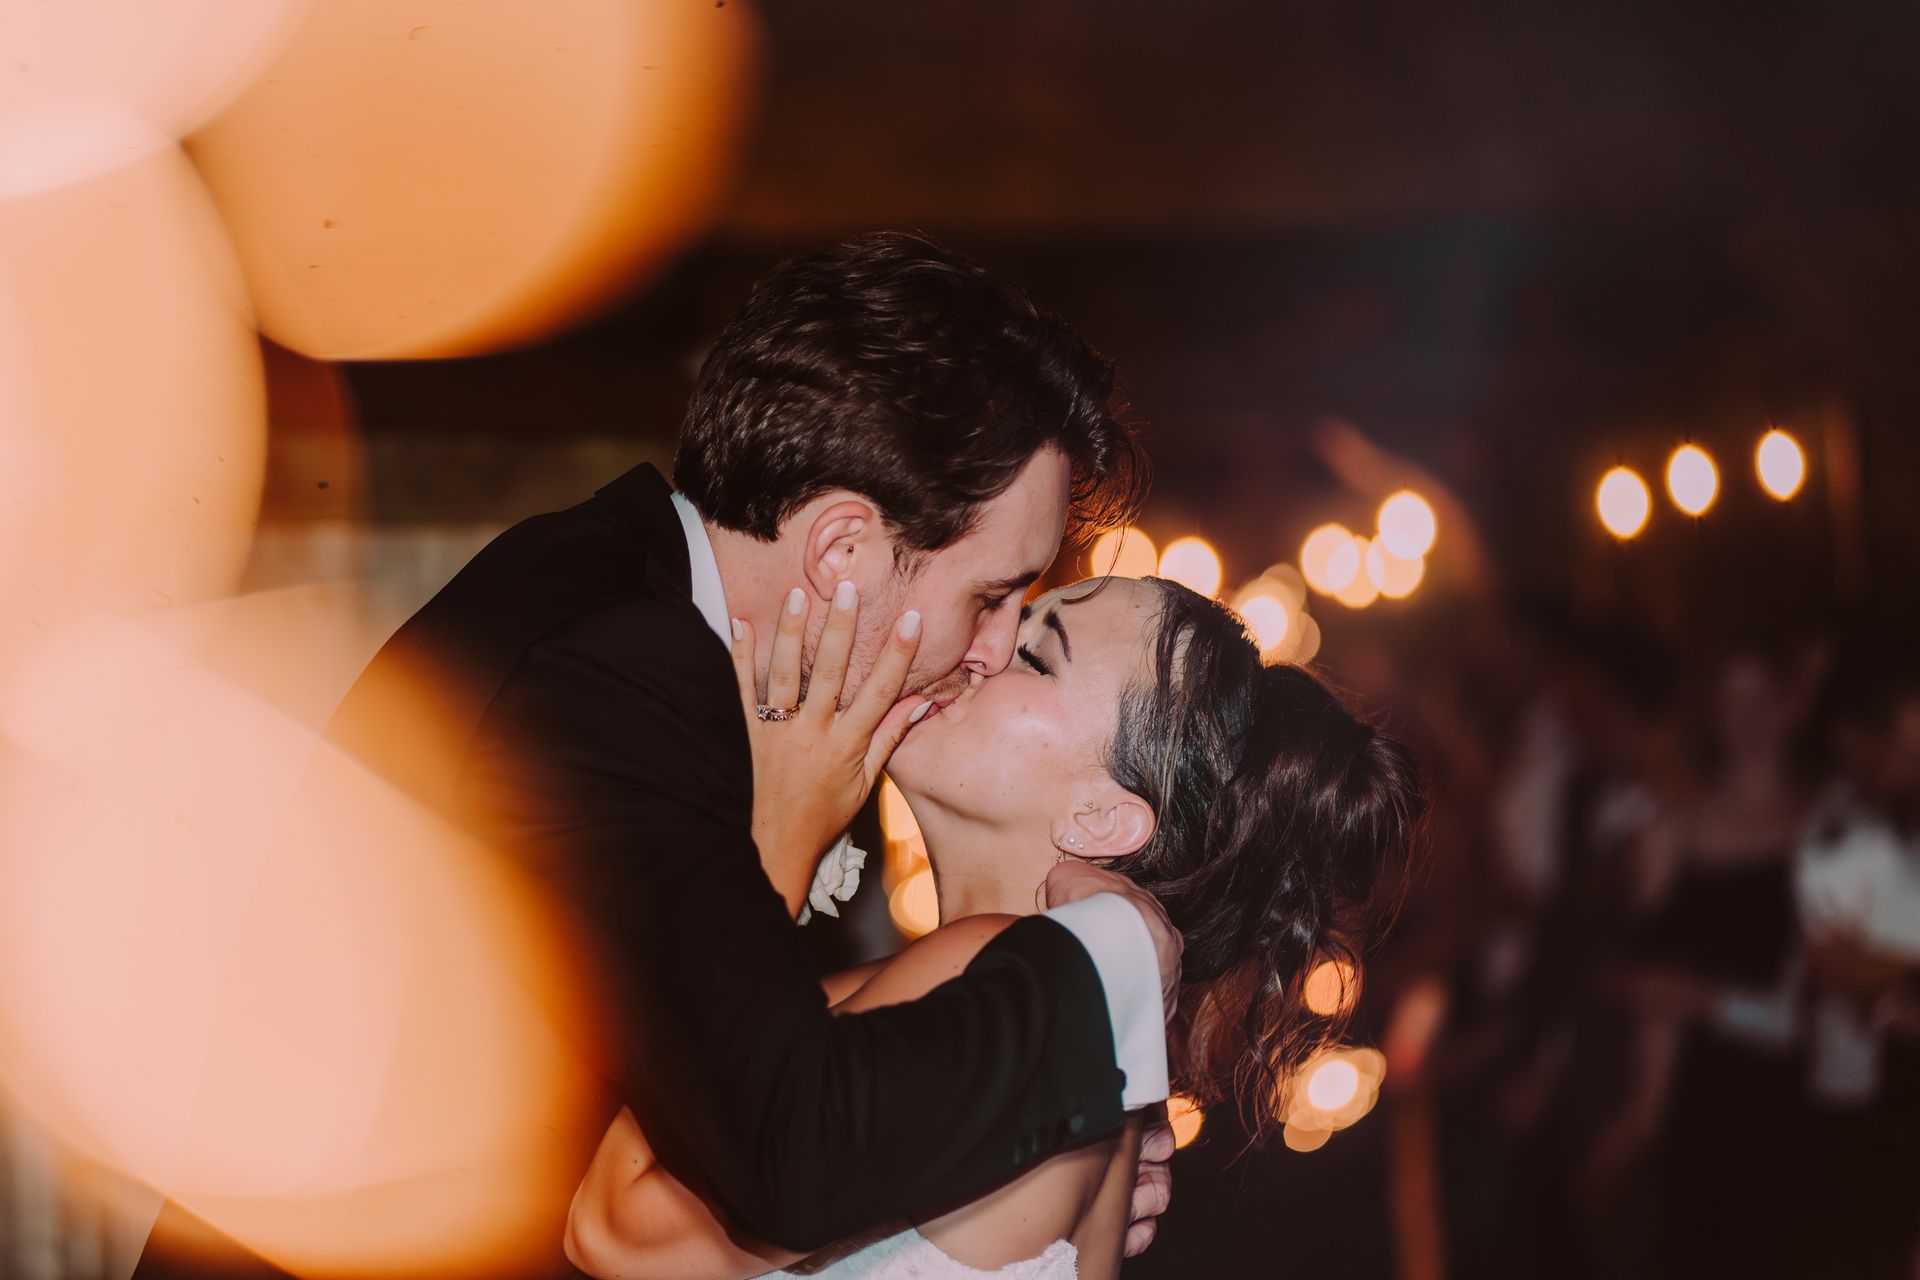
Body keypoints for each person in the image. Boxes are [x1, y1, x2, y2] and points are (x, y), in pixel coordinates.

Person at [127, 232, 1181, 1278]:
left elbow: (733, 1051)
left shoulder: (723, 663)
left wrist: (1041, 1145)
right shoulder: (612, 677)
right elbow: (785, 1152)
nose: (991, 650)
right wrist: (1104, 982)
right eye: (991, 597)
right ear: (845, 548)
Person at [566, 576, 1426, 1279]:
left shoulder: (1002, 974)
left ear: (1103, 820)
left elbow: (615, 1226)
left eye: (1032, 656)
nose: (977, 649)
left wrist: (770, 839)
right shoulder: (987, 995)